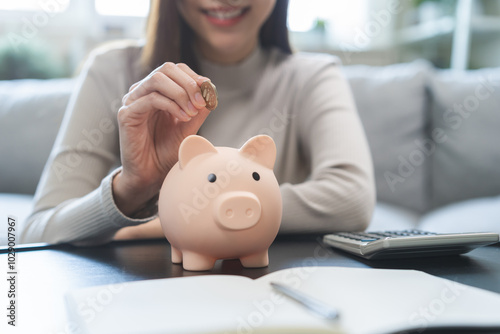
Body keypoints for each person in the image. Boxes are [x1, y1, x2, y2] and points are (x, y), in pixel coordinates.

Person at [20, 0, 375, 245]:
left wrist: (176, 218)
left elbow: (351, 199)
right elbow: (34, 233)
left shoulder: (313, 76)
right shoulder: (110, 71)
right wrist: (131, 189)